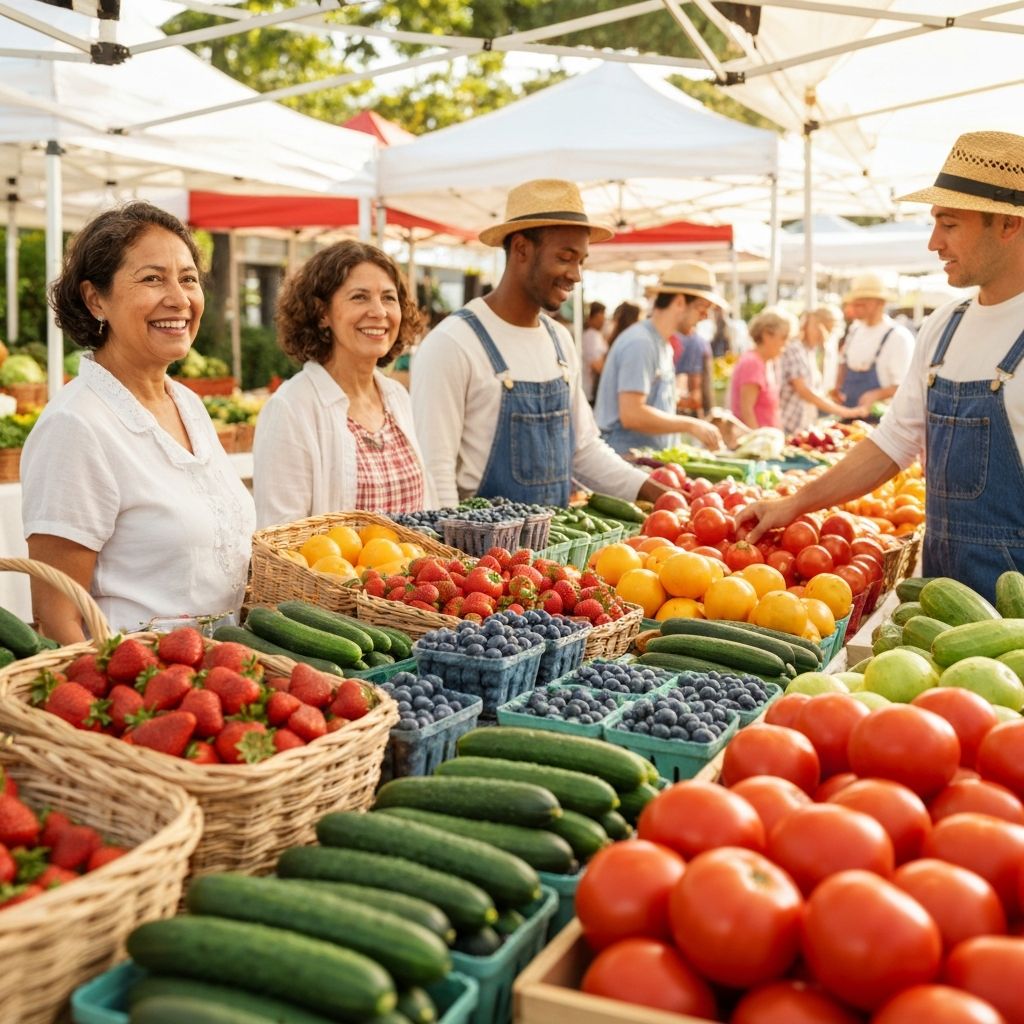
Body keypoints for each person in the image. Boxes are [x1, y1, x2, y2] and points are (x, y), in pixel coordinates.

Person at [739, 130, 1024, 601]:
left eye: (950, 224)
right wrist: (793, 504)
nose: (934, 242)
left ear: (1009, 225)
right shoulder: (942, 328)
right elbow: (892, 443)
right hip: (943, 595)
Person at [22, 201, 256, 642]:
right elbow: (57, 619)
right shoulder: (75, 426)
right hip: (142, 690)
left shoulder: (188, 403)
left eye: (188, 279)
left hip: (221, 683)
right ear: (96, 299)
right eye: (152, 278)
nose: (179, 298)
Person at [410, 178, 684, 507]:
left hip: (551, 552)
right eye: (566, 257)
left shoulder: (560, 341)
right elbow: (435, 472)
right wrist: (454, 552)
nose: (576, 274)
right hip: (478, 553)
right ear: (522, 249)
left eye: (581, 261)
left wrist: (658, 492)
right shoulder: (453, 344)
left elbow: (584, 450)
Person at [254, 240, 435, 528]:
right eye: (360, 297)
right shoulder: (290, 408)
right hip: (335, 575)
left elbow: (428, 514)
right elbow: (280, 541)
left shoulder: (397, 397)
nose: (379, 311)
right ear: (322, 313)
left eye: (389, 298)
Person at [594, 261, 725, 455]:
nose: (705, 316)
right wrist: (690, 425)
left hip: (646, 461)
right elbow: (632, 414)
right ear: (679, 302)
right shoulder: (641, 343)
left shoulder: (661, 343)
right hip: (626, 463)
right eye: (702, 307)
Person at [830, 272, 915, 411]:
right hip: (848, 408)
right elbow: (843, 361)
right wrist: (838, 386)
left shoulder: (898, 337)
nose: (855, 306)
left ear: (880, 303)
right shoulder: (855, 330)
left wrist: (875, 395)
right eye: (855, 302)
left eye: (862, 303)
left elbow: (905, 385)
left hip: (882, 415)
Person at [779, 306, 867, 434]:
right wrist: (844, 411)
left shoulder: (809, 352)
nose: (828, 338)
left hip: (801, 426)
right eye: (829, 331)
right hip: (788, 425)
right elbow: (804, 391)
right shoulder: (795, 349)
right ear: (819, 327)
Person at [729, 307, 797, 429]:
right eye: (783, 338)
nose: (786, 344)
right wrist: (759, 442)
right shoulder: (752, 363)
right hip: (753, 443)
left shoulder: (767, 363)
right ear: (766, 335)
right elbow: (747, 412)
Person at [672, 314, 714, 417]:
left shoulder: (694, 341)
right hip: (687, 408)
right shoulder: (696, 342)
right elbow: (695, 389)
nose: (705, 315)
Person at [581, 301, 607, 403]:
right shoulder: (591, 336)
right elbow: (596, 365)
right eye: (600, 318)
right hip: (591, 389)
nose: (603, 321)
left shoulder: (596, 334)